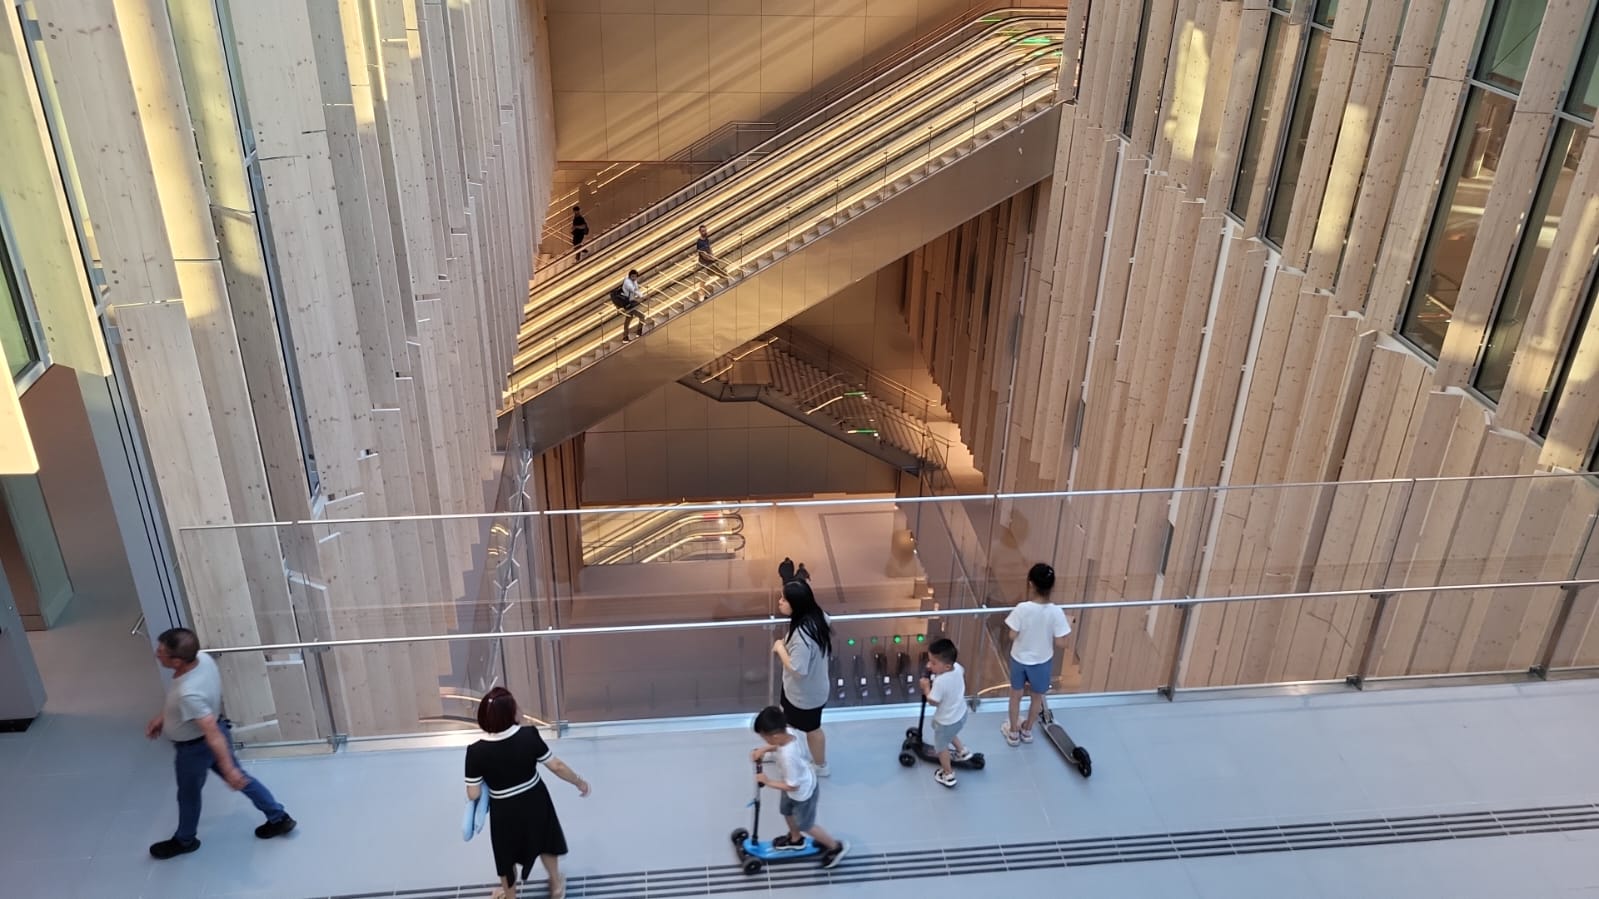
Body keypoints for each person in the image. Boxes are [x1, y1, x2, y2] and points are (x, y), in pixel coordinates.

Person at [144, 627, 296, 859]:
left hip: (195, 748)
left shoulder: (188, 693)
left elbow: (209, 730)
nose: (157, 654)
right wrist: (163, 717)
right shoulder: (202, 660)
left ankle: (185, 840)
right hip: (215, 735)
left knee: (188, 794)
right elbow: (194, 711)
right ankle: (279, 817)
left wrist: (227, 768)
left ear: (177, 661)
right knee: (243, 779)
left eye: (162, 652)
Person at [466, 687, 591, 899]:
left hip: (503, 809)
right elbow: (557, 766)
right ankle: (556, 885)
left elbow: (473, 793)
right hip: (535, 800)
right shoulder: (528, 735)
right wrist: (578, 782)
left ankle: (510, 895)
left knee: (506, 856)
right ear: (510, 714)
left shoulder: (476, 751)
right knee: (545, 841)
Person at [750, 705, 849, 868]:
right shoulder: (788, 733)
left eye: (765, 738)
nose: (765, 741)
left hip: (803, 793)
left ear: (774, 736)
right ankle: (795, 840)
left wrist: (767, 781)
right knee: (786, 811)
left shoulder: (789, 758)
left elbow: (792, 786)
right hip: (793, 782)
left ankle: (835, 847)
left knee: (806, 825)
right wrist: (764, 749)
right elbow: (778, 745)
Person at [1000, 563, 1071, 747]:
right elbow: (1062, 642)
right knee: (1036, 698)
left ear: (1031, 584)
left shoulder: (1022, 609)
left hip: (1019, 659)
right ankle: (1027, 730)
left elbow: (1012, 634)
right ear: (1052, 586)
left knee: (1015, 695)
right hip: (1041, 661)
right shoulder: (1056, 612)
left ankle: (1013, 733)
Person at [772, 577, 831, 776]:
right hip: (805, 690)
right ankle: (780, 748)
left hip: (804, 695)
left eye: (784, 599)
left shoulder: (803, 635)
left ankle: (821, 766)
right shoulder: (818, 617)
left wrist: (780, 648)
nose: (780, 601)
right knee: (788, 720)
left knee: (811, 729)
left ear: (796, 605)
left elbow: (798, 670)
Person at [919, 637, 972, 788]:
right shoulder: (958, 668)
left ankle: (948, 774)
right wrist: (936, 670)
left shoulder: (940, 683)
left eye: (933, 663)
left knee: (941, 747)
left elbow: (933, 701)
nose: (929, 665)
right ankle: (962, 751)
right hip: (960, 714)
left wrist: (926, 687)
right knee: (950, 732)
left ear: (947, 666)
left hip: (946, 720)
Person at [611, 269, 646, 341]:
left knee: (628, 320)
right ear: (630, 276)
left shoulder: (632, 281)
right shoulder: (627, 282)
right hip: (628, 305)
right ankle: (639, 333)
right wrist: (641, 296)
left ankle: (625, 337)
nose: (634, 278)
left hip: (629, 305)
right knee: (641, 316)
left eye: (635, 277)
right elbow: (633, 290)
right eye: (633, 276)